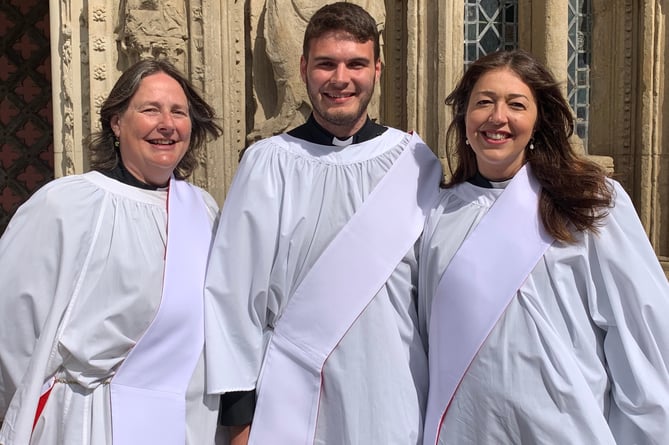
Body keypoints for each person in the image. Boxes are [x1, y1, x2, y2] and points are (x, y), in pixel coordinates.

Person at [204, 3, 442, 445]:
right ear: (303, 68)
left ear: (377, 68)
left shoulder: (414, 162)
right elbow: (233, 300)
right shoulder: (267, 163)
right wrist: (238, 421)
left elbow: (434, 299)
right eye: (325, 64)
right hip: (291, 400)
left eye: (355, 63)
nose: (340, 78)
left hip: (394, 399)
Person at [419, 48, 669, 445]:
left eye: (516, 105)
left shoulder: (590, 202)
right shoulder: (436, 213)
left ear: (538, 122)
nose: (497, 117)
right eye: (484, 102)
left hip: (564, 431)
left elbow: (642, 331)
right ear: (465, 117)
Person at [0, 58, 223, 445]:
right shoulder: (67, 205)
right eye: (150, 109)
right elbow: (12, 327)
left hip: (183, 423)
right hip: (87, 422)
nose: (166, 124)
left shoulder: (203, 211)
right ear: (116, 123)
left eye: (178, 112)